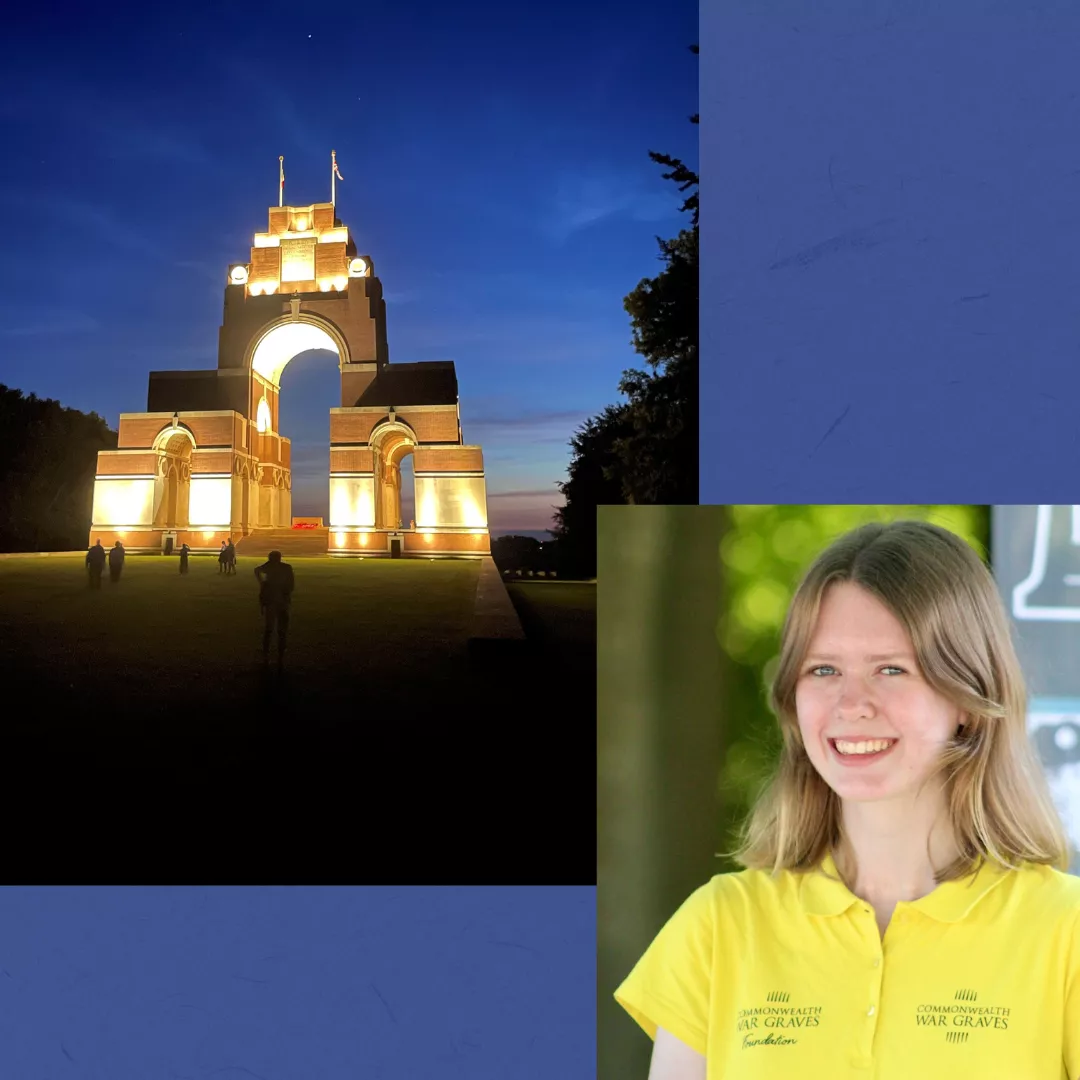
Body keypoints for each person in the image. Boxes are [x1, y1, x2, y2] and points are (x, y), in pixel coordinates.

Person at [614, 520, 1080, 1079]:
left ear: (969, 698)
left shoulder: (1065, 931)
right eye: (824, 669)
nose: (851, 703)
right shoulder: (720, 926)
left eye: (891, 669)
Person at [253, 549, 294, 667]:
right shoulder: (286, 567)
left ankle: (267, 653)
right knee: (280, 630)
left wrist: (262, 582)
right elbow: (291, 585)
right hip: (281, 602)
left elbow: (256, 570)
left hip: (273, 602)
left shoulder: (269, 567)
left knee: (270, 629)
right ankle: (279, 653)